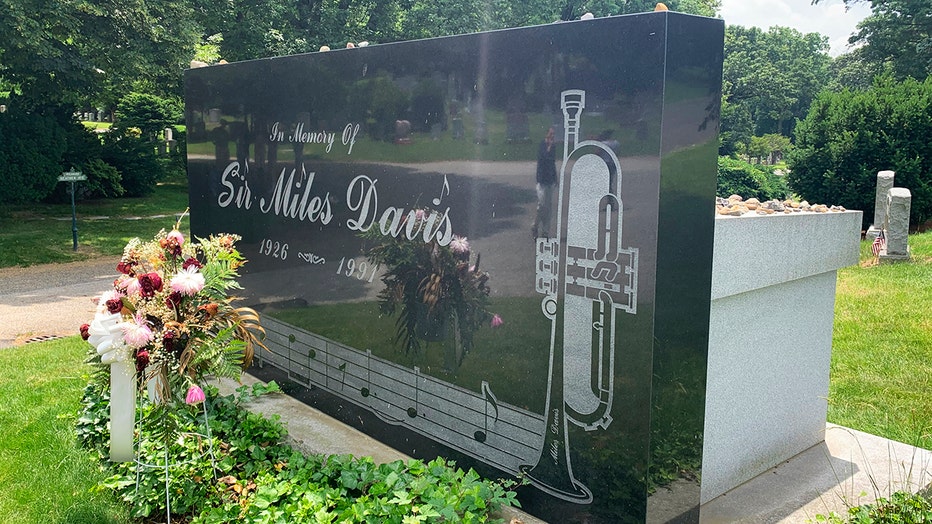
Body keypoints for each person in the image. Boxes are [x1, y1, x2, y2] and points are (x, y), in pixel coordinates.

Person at [533, 127, 558, 237]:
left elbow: (552, 163)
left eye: (553, 134)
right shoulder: (542, 145)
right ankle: (535, 225)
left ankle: (545, 231)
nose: (552, 136)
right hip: (542, 180)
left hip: (550, 181)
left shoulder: (553, 147)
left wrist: (555, 177)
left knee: (549, 207)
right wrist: (548, 147)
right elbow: (543, 158)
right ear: (546, 134)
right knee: (541, 205)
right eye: (551, 134)